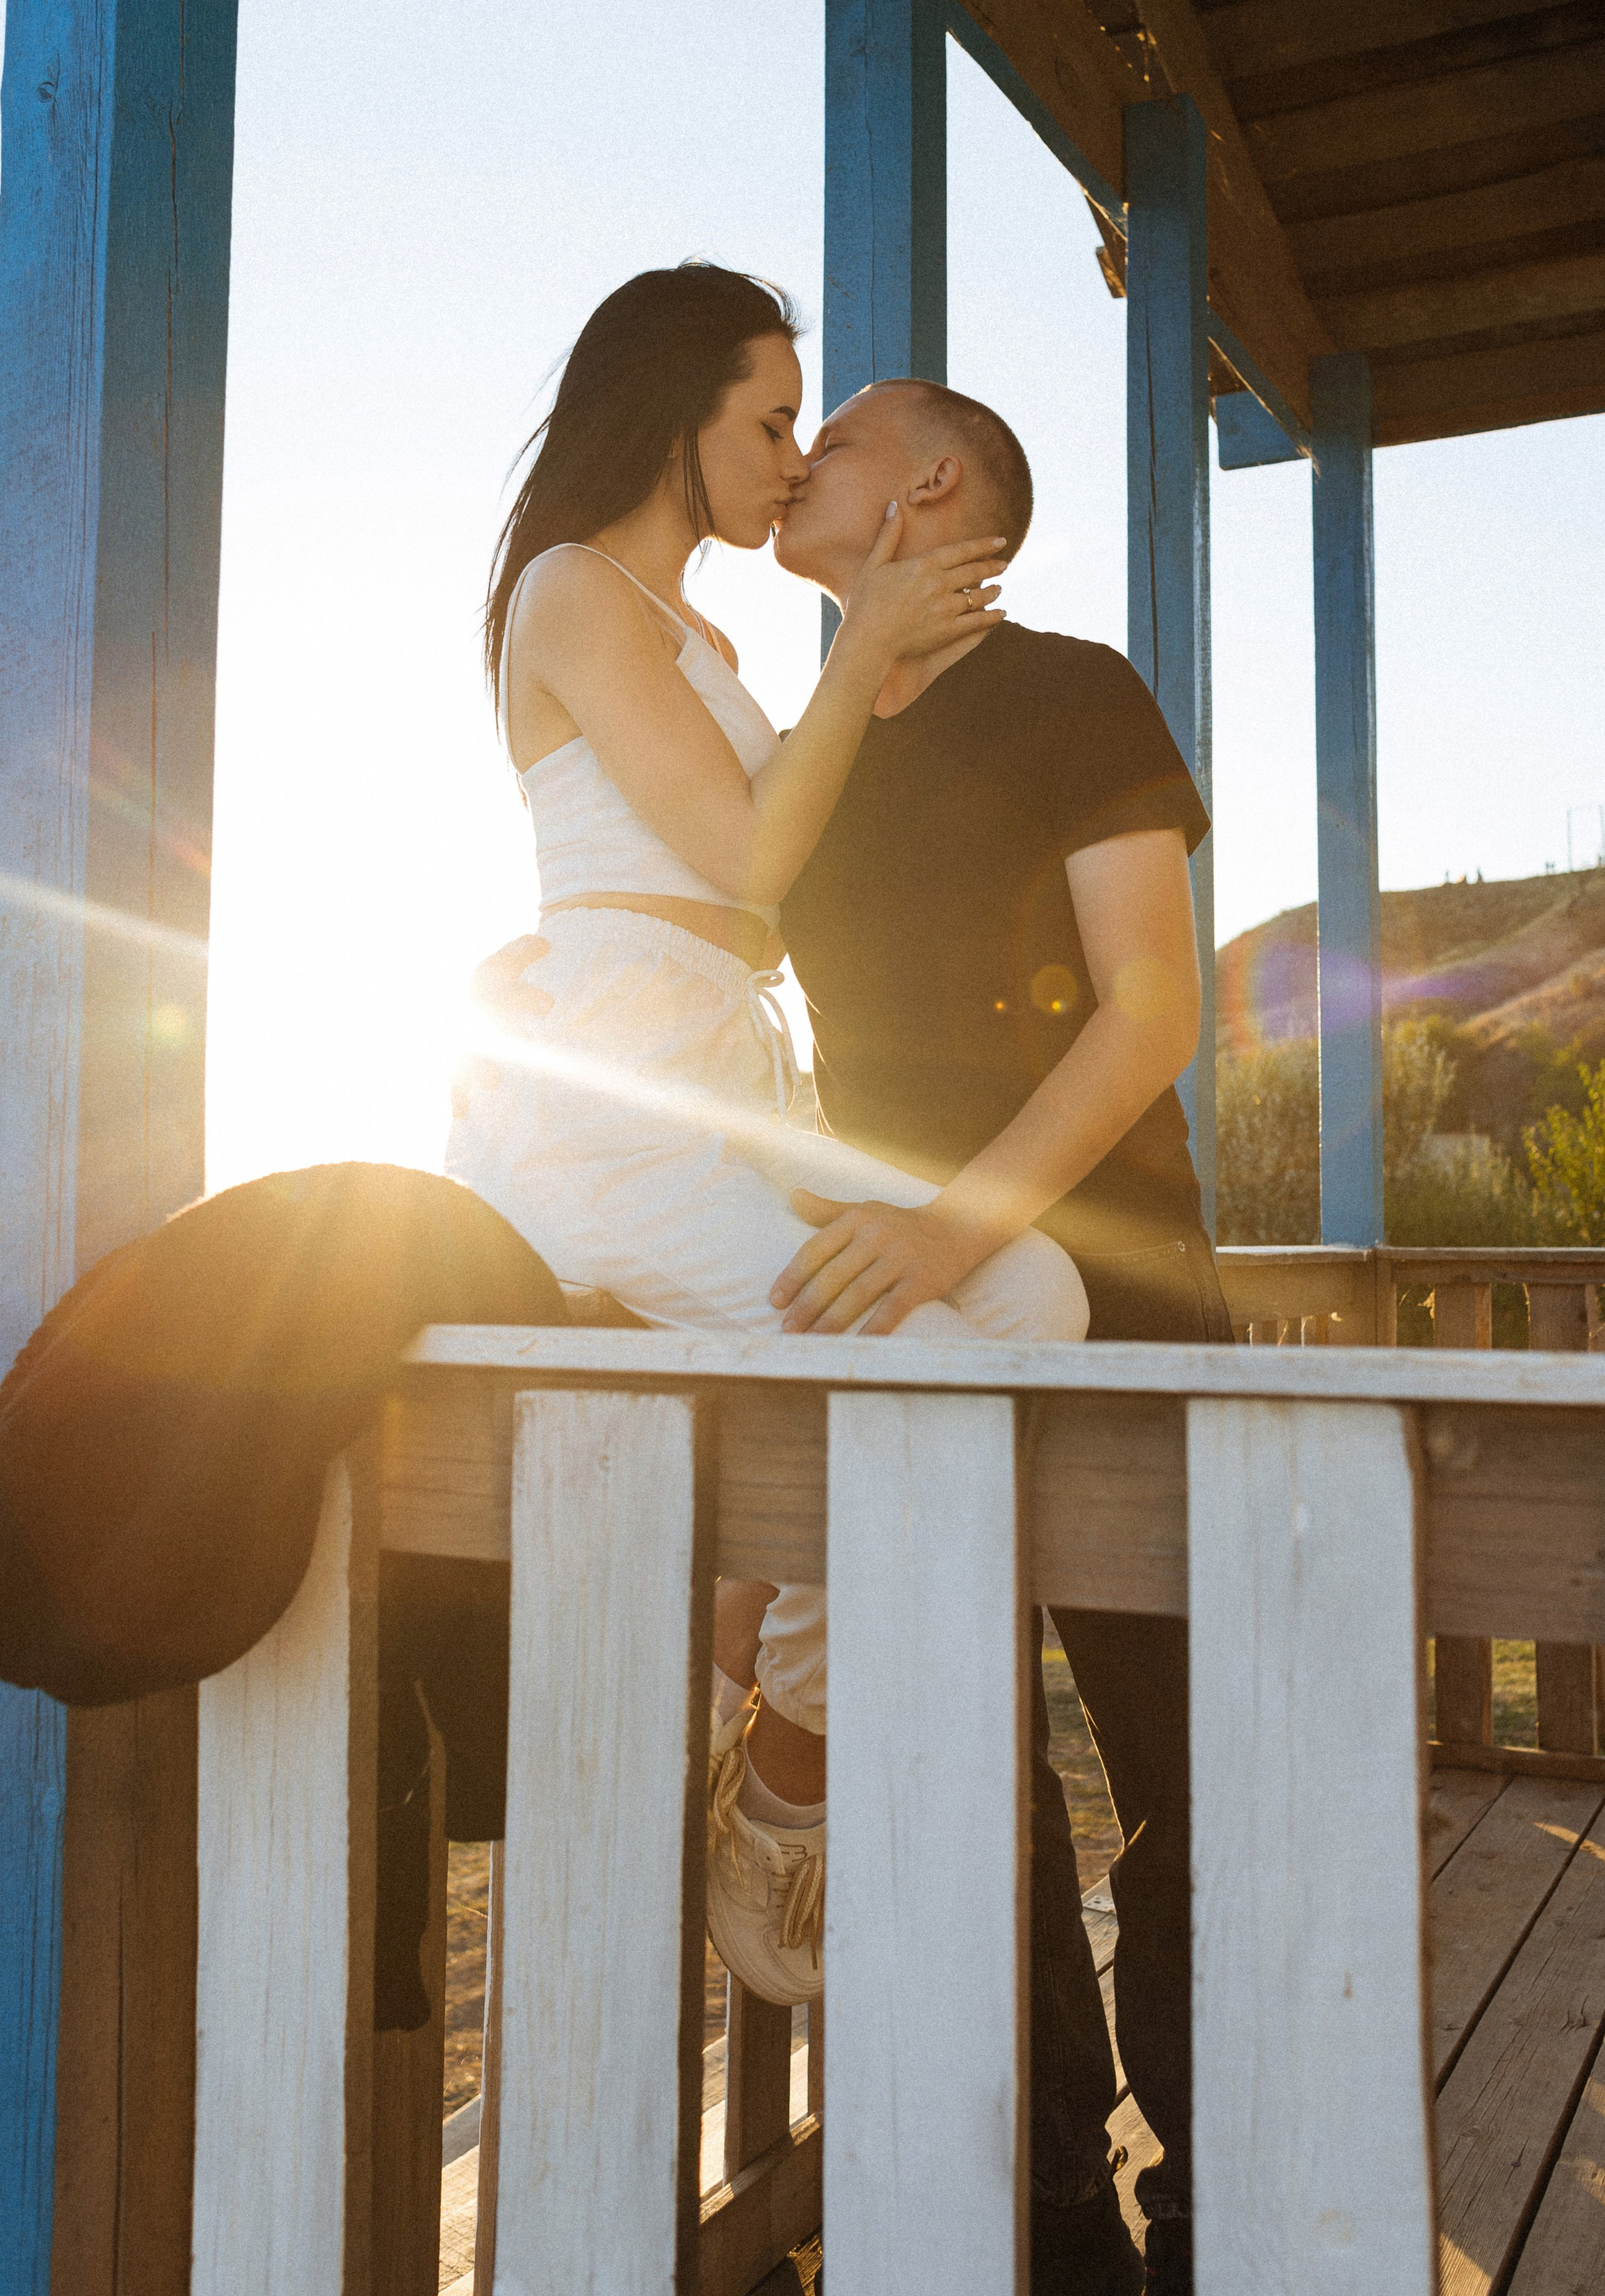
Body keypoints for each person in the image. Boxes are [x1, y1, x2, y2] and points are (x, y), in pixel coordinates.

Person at [481, 365, 1229, 2296]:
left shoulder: (1073, 693)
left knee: (1177, 1769)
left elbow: (1148, 1009)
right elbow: (694, 924)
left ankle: (1218, 2206)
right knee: (960, 1756)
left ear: (941, 486)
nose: (802, 453)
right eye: (781, 418)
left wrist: (945, 1227)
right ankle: (1051, 2200)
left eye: (850, 426)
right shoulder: (809, 745)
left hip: (1100, 1285)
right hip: (883, 1296)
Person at [444, 262, 1093, 2030]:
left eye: (803, 421)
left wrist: (913, 654)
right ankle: (792, 1788)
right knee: (930, 1362)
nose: (789, 454)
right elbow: (740, 865)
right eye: (765, 416)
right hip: (612, 1098)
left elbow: (780, 873)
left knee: (1027, 1272)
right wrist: (872, 634)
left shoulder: (712, 639)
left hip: (729, 1078)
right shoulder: (575, 592)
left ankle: (771, 1687)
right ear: (672, 411)